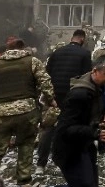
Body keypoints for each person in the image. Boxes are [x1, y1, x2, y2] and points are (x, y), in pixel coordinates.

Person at [30, 55, 105, 187]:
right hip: (69, 148)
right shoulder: (80, 95)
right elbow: (66, 129)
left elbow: (101, 103)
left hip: (85, 144)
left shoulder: (99, 85)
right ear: (95, 71)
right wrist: (95, 133)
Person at [0, 39, 54, 187]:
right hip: (27, 110)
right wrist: (50, 100)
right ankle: (24, 180)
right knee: (26, 145)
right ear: (23, 48)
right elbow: (46, 83)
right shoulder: (32, 62)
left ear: (7, 49)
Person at [37, 30, 92, 174]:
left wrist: (49, 96)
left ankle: (40, 164)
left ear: (72, 38)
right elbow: (87, 77)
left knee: (49, 128)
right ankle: (66, 160)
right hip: (73, 95)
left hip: (55, 96)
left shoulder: (57, 52)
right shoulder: (85, 54)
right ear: (82, 39)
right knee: (70, 127)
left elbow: (47, 73)